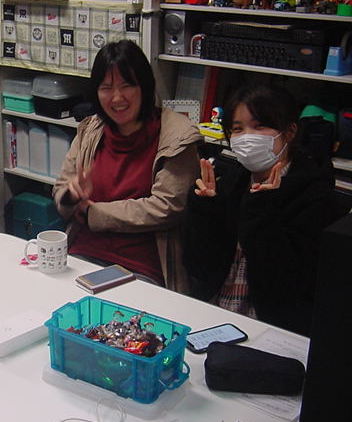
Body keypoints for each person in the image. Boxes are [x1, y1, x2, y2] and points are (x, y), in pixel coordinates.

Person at [183, 84, 342, 336]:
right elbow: (199, 268)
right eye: (237, 129)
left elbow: (287, 286)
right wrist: (206, 211)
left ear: (289, 132)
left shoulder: (316, 197)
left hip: (274, 326)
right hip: (214, 312)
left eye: (259, 126)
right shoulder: (232, 183)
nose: (247, 137)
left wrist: (262, 210)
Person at [52, 40, 202, 292]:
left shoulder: (177, 136)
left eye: (127, 86)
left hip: (141, 265)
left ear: (144, 86)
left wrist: (94, 213)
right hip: (83, 253)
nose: (117, 98)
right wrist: (71, 196)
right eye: (106, 88)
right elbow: (61, 191)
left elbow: (167, 208)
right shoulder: (90, 130)